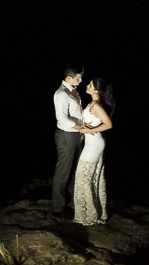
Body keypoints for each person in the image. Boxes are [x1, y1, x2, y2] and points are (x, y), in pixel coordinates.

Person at [73, 77, 115, 225]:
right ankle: (93, 213)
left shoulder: (96, 105)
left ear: (96, 90)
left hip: (94, 145)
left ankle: (90, 217)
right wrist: (87, 129)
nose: (87, 85)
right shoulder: (93, 103)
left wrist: (91, 130)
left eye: (90, 85)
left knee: (84, 178)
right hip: (92, 143)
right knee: (89, 177)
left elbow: (108, 124)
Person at [51, 63, 85, 218]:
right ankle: (57, 208)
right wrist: (81, 128)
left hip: (77, 134)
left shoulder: (73, 91)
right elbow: (63, 120)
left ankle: (71, 204)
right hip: (66, 136)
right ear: (69, 77)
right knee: (63, 172)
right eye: (78, 78)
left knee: (74, 171)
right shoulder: (61, 94)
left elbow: (76, 113)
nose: (81, 81)